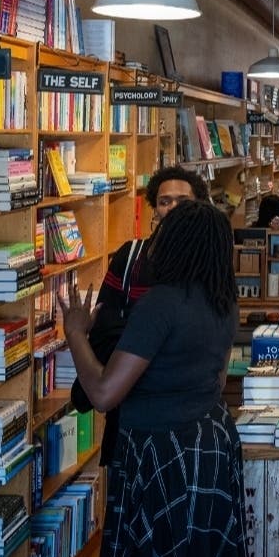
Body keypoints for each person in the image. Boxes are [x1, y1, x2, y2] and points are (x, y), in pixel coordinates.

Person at [58, 200, 249, 557]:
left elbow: (104, 393)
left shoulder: (160, 304)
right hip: (209, 442)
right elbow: (218, 377)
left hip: (160, 447)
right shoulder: (224, 302)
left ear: (174, 243)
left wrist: (77, 333)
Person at [70, 165, 210, 470]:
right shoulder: (131, 257)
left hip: (182, 420)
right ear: (155, 211)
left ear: (198, 207)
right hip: (128, 420)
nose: (173, 208)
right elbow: (104, 330)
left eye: (183, 202)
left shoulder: (207, 265)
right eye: (165, 201)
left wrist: (137, 338)